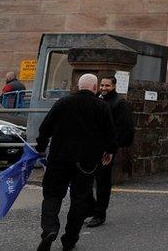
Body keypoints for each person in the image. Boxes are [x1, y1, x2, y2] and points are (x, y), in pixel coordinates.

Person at [35, 73, 117, 251]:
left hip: (59, 158)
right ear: (95, 88)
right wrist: (110, 151)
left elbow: (45, 127)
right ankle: (70, 239)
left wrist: (41, 146)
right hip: (86, 161)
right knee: (79, 200)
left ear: (79, 86)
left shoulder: (63, 102)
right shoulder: (101, 106)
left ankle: (49, 229)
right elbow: (111, 134)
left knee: (52, 195)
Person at [86, 75, 135, 228]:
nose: (104, 88)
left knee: (102, 183)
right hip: (92, 147)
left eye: (107, 86)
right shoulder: (98, 99)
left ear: (114, 86)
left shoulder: (119, 103)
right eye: (102, 85)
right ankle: (92, 209)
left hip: (106, 149)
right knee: (85, 180)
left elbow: (123, 128)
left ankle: (100, 214)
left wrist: (111, 149)